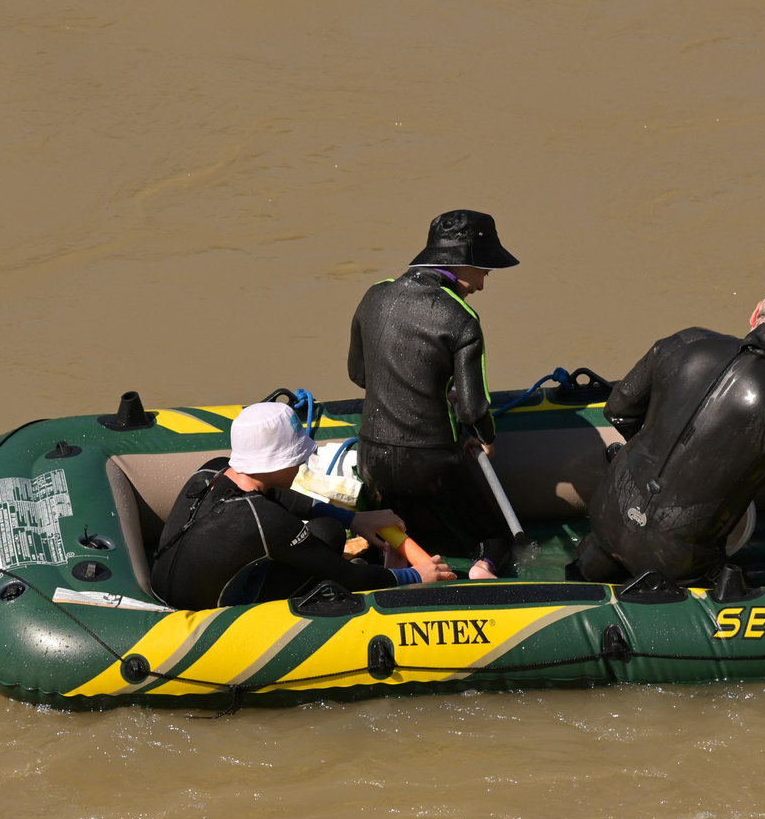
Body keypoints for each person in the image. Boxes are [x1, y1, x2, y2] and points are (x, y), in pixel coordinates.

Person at [573, 275, 765, 586]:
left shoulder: (686, 341)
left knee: (589, 569)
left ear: (756, 314)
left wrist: (657, 461)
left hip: (606, 516)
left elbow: (618, 410)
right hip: (680, 562)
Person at [151, 401, 459, 611]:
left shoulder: (214, 469)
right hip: (207, 617)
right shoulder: (260, 521)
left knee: (329, 529)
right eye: (297, 457)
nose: (301, 463)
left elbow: (279, 497)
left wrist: (355, 519)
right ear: (276, 462)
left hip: (167, 589)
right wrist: (418, 576)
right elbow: (348, 578)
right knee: (327, 548)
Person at [346, 210, 518, 580]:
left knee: (405, 525)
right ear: (463, 264)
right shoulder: (461, 317)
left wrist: (432, 390)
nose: (482, 285)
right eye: (485, 271)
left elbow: (359, 375)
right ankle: (482, 574)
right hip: (430, 465)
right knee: (496, 538)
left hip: (372, 458)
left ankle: (395, 556)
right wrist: (486, 440)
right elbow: (474, 410)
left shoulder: (374, 295)